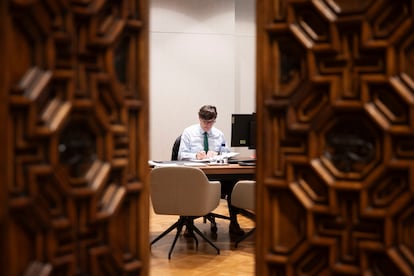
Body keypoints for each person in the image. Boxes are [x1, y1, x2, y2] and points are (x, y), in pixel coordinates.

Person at [178, 105, 245, 236]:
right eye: (205, 122)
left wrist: (218, 155)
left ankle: (234, 222)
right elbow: (181, 155)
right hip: (195, 175)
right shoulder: (188, 132)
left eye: (211, 122)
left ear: (215, 119)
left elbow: (226, 154)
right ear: (199, 118)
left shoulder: (219, 135)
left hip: (216, 175)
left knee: (233, 183)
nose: (208, 125)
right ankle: (189, 225)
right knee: (188, 185)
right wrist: (196, 155)